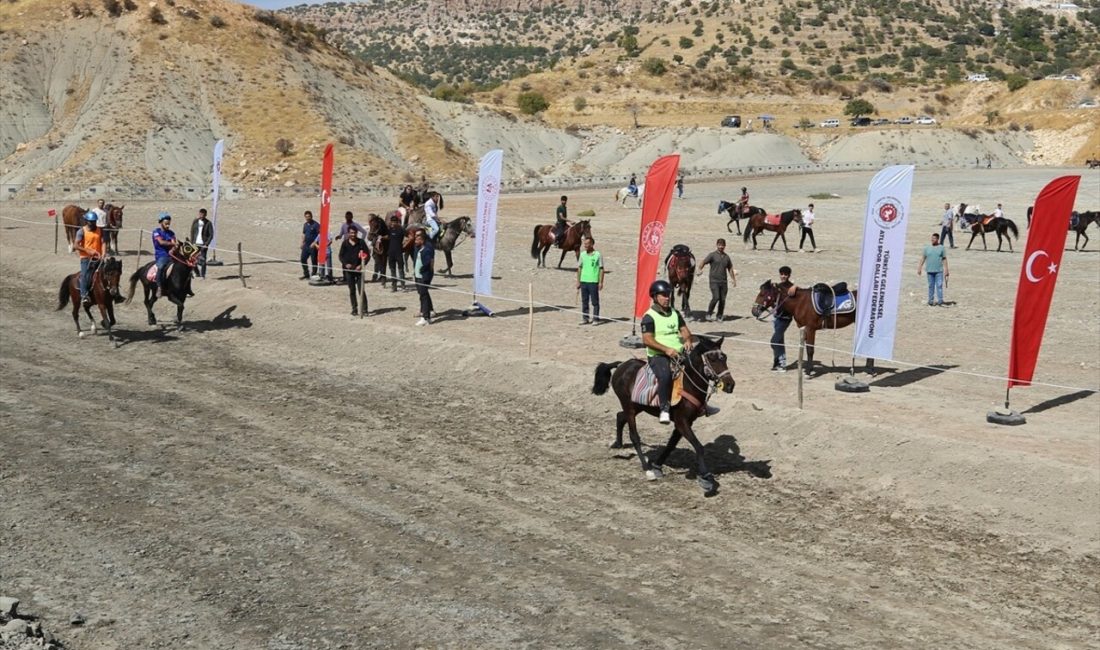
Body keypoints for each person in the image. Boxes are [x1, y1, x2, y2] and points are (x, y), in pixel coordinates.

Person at [641, 280, 694, 424]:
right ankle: (664, 409)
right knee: (665, 375)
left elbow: (685, 331)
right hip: (658, 355)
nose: (667, 298)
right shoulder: (649, 317)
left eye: (668, 295)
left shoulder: (675, 313)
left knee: (698, 368)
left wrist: (688, 341)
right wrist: (666, 350)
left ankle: (702, 403)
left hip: (678, 352)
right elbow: (647, 340)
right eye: (663, 295)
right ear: (655, 297)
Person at [696, 238, 737, 322]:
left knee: (723, 299)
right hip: (714, 281)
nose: (721, 247)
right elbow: (703, 262)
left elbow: (730, 268)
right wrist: (699, 269)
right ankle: (709, 314)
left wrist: (733, 279)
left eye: (722, 245)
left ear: (725, 246)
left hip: (724, 281)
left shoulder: (727, 257)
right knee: (716, 297)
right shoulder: (712, 255)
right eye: (719, 245)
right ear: (717, 245)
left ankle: (719, 315)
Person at [74, 211, 105, 306]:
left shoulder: (100, 230)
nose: (93, 223)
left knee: (109, 273)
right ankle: (84, 295)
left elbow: (103, 242)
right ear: (86, 221)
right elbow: (76, 245)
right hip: (86, 258)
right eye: (90, 221)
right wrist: (87, 250)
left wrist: (104, 253)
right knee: (85, 276)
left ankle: (115, 293)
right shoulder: (81, 231)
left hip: (98, 257)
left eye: (94, 221)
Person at [338, 226, 370, 316]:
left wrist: (362, 265)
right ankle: (354, 309)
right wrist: (345, 264)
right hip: (349, 271)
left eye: (354, 233)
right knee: (352, 290)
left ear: (357, 233)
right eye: (351, 233)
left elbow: (367, 255)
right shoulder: (345, 243)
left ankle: (364, 309)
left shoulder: (361, 242)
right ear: (348, 233)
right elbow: (341, 256)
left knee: (361, 290)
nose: (353, 234)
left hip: (359, 271)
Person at [770, 266, 796, 372]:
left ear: (789, 275)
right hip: (776, 317)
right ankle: (777, 362)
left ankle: (782, 363)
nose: (783, 276)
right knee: (779, 340)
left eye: (785, 274)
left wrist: (796, 286)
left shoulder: (792, 287)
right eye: (782, 274)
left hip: (785, 318)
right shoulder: (777, 286)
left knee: (775, 341)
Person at [576, 236, 604, 325]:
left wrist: (600, 282)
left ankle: (596, 318)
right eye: (584, 244)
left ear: (592, 244)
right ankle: (585, 318)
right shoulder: (582, 254)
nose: (585, 245)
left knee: (595, 301)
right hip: (584, 281)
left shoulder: (598, 255)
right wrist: (578, 280)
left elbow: (601, 269)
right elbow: (579, 268)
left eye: (587, 244)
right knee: (584, 301)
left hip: (593, 281)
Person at [917, 232, 949, 306]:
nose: (932, 239)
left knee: (939, 285)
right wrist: (919, 267)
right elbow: (923, 258)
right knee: (931, 286)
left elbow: (944, 259)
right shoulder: (927, 248)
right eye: (932, 238)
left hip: (939, 271)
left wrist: (946, 269)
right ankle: (930, 301)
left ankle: (940, 301)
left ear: (938, 239)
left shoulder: (942, 248)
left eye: (934, 238)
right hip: (929, 270)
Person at [151, 212, 177, 298]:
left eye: (169, 224)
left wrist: (173, 249)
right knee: (161, 266)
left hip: (172, 255)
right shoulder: (156, 232)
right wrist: (172, 244)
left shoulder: (171, 233)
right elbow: (161, 242)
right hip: (161, 255)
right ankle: (159, 287)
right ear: (161, 222)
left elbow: (175, 244)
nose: (168, 225)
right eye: (166, 223)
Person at [412, 230, 435, 326]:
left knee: (423, 296)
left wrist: (422, 271)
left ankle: (425, 317)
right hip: (418, 276)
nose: (415, 241)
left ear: (422, 240)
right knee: (423, 295)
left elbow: (428, 263)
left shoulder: (427, 250)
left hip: (423, 277)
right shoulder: (419, 249)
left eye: (417, 239)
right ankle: (427, 314)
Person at [190, 208, 214, 279]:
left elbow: (211, 235)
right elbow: (192, 232)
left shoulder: (208, 223)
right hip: (195, 244)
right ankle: (197, 273)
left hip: (203, 244)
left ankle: (203, 275)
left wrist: (206, 244)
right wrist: (192, 242)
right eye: (200, 214)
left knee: (203, 260)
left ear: (205, 215)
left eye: (203, 214)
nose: (201, 216)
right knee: (193, 259)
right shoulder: (195, 222)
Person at [385, 213, 406, 291]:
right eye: (392, 222)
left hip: (399, 253)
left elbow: (408, 237)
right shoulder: (389, 230)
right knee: (392, 270)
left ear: (397, 222)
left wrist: (404, 245)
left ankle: (403, 285)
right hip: (391, 253)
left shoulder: (401, 230)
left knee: (401, 269)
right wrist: (381, 238)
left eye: (395, 222)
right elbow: (387, 237)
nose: (393, 223)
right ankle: (394, 286)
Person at [300, 210, 320, 279]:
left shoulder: (316, 225)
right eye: (306, 217)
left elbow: (319, 235)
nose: (308, 218)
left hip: (313, 246)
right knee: (303, 259)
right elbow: (304, 234)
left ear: (311, 216)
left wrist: (315, 243)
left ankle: (313, 274)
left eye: (309, 216)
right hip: (306, 245)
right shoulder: (305, 225)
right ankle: (306, 274)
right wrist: (302, 242)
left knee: (314, 260)